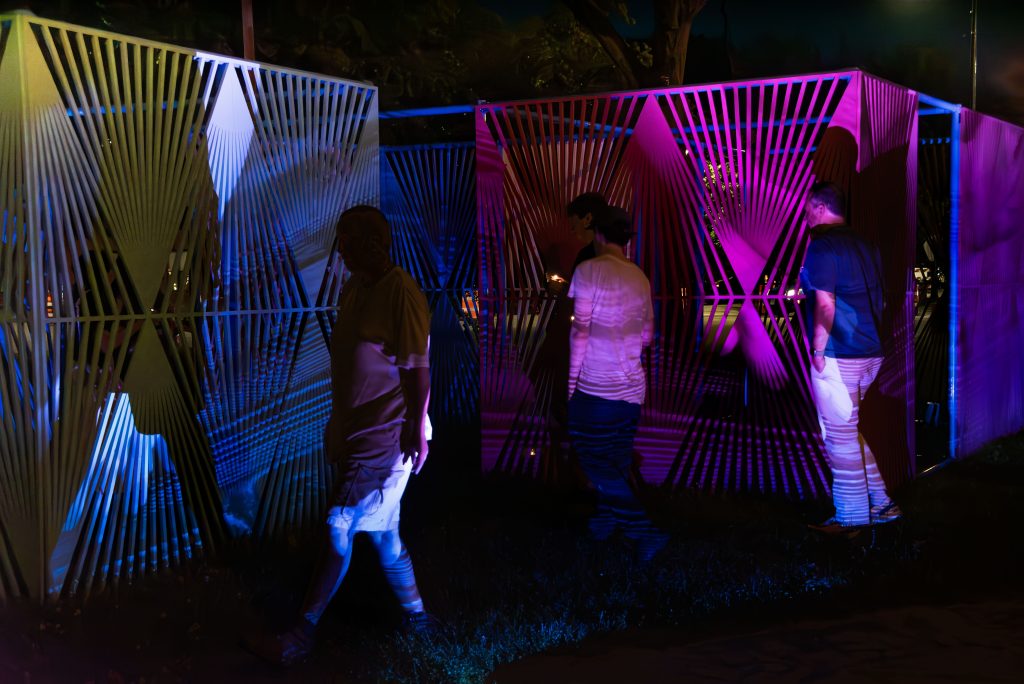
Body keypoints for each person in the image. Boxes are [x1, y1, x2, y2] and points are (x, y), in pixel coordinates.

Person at [249, 205, 434, 665]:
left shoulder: (401, 293)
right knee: (385, 533)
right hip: (359, 430)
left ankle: (302, 632)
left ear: (373, 242)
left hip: (385, 435)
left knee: (339, 523)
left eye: (348, 239)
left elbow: (416, 369)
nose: (342, 248)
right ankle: (419, 621)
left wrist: (414, 427)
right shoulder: (356, 288)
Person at [800, 181, 902, 531]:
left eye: (808, 208)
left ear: (819, 207)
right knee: (848, 431)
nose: (805, 214)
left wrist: (817, 351)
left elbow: (825, 304)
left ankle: (852, 519)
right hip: (870, 354)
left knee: (838, 438)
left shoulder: (822, 247)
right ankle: (884, 505)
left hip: (839, 356)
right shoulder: (866, 245)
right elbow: (881, 300)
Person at [567, 206, 667, 561]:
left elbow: (580, 331)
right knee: (615, 460)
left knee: (595, 462)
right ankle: (604, 524)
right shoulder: (639, 277)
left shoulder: (588, 270)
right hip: (631, 390)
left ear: (598, 235)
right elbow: (647, 335)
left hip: (596, 388)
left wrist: (571, 382)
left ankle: (644, 532)